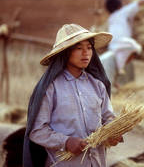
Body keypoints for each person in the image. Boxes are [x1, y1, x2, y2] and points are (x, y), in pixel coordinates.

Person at [23, 24, 123, 167]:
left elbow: (108, 118)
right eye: (78, 48)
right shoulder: (51, 88)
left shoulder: (98, 86)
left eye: (89, 48)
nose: (86, 53)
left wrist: (113, 133)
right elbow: (37, 131)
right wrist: (66, 142)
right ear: (65, 52)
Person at [102, 0, 144, 88]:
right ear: (119, 6)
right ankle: (121, 85)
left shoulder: (111, 19)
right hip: (124, 45)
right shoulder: (121, 13)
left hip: (113, 47)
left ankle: (116, 83)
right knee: (135, 49)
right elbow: (136, 5)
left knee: (118, 65)